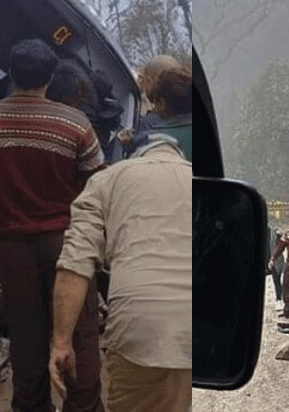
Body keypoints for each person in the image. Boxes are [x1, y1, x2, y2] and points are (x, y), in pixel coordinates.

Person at [0, 38, 105, 412]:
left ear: (11, 73)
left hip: (12, 248)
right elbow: (95, 187)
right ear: (51, 76)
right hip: (67, 246)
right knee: (79, 334)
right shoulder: (75, 125)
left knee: (26, 338)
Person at [50, 134, 192, 411]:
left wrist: (62, 342)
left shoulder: (107, 179)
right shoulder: (199, 181)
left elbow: (74, 266)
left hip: (139, 328)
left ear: (134, 156)